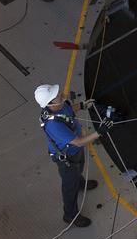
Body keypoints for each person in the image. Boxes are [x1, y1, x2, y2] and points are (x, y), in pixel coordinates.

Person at [34, 85, 99, 228]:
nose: (62, 95)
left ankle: (80, 183)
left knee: (79, 167)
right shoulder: (53, 125)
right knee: (69, 187)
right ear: (50, 104)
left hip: (74, 151)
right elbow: (79, 142)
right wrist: (100, 132)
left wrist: (82, 105)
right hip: (67, 158)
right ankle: (70, 215)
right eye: (58, 95)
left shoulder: (59, 107)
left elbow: (68, 110)